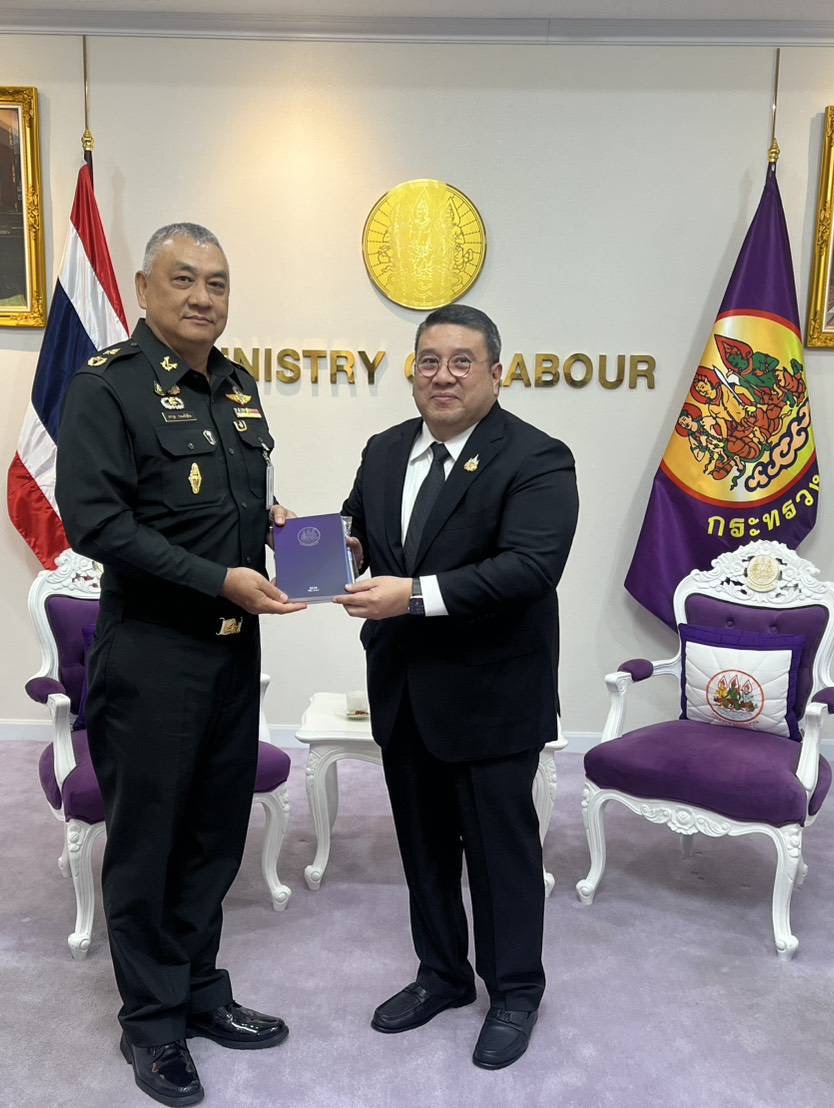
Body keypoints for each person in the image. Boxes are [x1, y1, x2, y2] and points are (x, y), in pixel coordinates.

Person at [56, 222, 304, 1106]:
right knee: (149, 845)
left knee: (213, 836)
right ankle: (152, 1023)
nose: (203, 297)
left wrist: (272, 526)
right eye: (184, 279)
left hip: (233, 652)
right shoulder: (106, 388)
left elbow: (220, 502)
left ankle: (200, 990)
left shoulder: (237, 386)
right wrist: (216, 577)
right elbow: (98, 524)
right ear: (143, 288)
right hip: (153, 654)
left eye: (218, 283)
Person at [336, 303, 579, 1070]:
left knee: (502, 856)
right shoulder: (383, 450)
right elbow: (360, 532)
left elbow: (529, 567)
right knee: (424, 849)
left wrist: (410, 595)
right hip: (403, 688)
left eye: (461, 361)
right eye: (430, 361)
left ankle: (514, 992)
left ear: (495, 374)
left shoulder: (537, 457)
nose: (443, 376)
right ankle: (440, 974)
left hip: (492, 696)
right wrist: (327, 547)